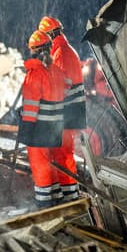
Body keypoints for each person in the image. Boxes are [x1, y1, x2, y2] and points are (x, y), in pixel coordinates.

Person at [17, 30, 66, 208]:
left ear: (33, 50)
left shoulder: (35, 73)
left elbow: (31, 106)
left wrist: (26, 126)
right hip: (54, 127)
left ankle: (44, 202)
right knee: (51, 162)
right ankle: (55, 196)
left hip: (39, 128)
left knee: (40, 165)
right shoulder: (56, 72)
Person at [37, 16, 85, 202]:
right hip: (69, 113)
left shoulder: (61, 53)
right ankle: (63, 195)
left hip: (66, 114)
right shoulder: (63, 50)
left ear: (48, 35)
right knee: (60, 154)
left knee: (62, 155)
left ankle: (68, 198)